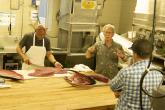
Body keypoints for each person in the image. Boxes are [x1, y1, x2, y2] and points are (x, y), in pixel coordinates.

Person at [109, 39, 163, 110]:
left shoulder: (126, 72)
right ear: (150, 54)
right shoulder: (159, 73)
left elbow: (112, 87)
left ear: (135, 54)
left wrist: (123, 91)